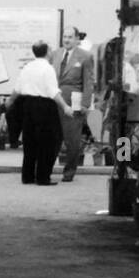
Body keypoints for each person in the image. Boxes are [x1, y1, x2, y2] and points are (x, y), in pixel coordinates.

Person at [8, 40, 73, 185]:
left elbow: (17, 88)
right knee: (47, 143)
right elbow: (53, 91)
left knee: (29, 142)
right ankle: (43, 177)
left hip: (27, 105)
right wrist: (65, 107)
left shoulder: (27, 67)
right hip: (45, 107)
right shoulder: (48, 68)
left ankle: (28, 176)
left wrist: (10, 102)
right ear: (48, 52)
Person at [55, 28, 97, 182]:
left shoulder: (85, 56)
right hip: (55, 100)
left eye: (70, 37)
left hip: (74, 101)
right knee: (53, 136)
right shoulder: (56, 54)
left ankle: (69, 171)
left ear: (77, 39)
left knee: (72, 138)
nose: (66, 40)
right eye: (64, 36)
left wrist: (86, 103)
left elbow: (88, 81)